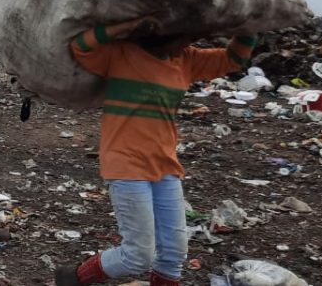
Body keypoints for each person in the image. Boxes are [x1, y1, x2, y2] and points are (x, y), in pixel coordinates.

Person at [55, 17, 258, 286]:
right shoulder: (120, 54)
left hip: (166, 165)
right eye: (182, 38)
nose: (187, 43)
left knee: (174, 253)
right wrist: (126, 26)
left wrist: (250, 25)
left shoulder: (186, 59)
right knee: (137, 256)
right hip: (126, 163)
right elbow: (81, 46)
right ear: (163, 32)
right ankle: (72, 279)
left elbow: (234, 59)